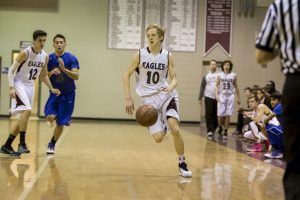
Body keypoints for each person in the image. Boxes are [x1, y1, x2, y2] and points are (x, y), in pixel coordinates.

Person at [123, 24, 192, 177]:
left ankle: (182, 163)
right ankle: (163, 126)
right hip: (148, 100)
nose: (150, 38)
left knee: (176, 129)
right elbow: (125, 75)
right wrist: (128, 97)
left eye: (153, 35)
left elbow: (174, 79)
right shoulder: (139, 55)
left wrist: (171, 86)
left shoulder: (168, 56)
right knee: (159, 139)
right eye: (148, 36)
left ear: (161, 37)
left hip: (167, 95)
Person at [255, 1, 300, 199]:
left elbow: (262, 55)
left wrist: (283, 45)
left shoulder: (282, 6)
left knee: (298, 161)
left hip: (297, 83)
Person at [0, 30, 60, 157]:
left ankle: (6, 146)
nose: (42, 43)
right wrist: (11, 87)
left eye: (44, 40)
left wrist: (51, 88)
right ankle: (22, 143)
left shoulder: (45, 56)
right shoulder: (25, 53)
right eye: (40, 40)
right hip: (19, 84)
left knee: (23, 117)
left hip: (30, 86)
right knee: (27, 110)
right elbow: (11, 71)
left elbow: (43, 76)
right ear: (34, 41)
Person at [44, 34, 79, 154]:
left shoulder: (71, 58)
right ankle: (64, 117)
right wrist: (51, 73)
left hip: (68, 94)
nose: (59, 44)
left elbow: (76, 76)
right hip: (54, 94)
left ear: (65, 44)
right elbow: (42, 77)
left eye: (61, 42)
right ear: (53, 44)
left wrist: (64, 69)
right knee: (49, 117)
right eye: (57, 42)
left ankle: (52, 144)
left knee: (60, 123)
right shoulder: (48, 58)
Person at [215, 60, 241, 140]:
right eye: (225, 65)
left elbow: (236, 87)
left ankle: (226, 130)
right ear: (223, 66)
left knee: (228, 114)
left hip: (230, 96)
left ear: (230, 67)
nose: (226, 66)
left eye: (228, 65)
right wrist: (216, 95)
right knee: (220, 114)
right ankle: (220, 126)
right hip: (222, 95)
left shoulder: (233, 75)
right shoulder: (219, 75)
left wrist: (239, 98)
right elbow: (216, 86)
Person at [198, 60, 219, 138]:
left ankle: (215, 127)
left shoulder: (219, 75)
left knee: (216, 114)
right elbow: (202, 86)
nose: (213, 65)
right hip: (208, 96)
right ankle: (210, 130)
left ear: (216, 66)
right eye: (212, 64)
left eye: (214, 64)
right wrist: (200, 98)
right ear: (210, 66)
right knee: (209, 113)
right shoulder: (206, 75)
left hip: (217, 97)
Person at [263, 91, 283, 159]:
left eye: (274, 100)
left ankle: (278, 151)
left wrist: (264, 123)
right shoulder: (281, 106)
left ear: (279, 100)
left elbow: (266, 120)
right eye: (271, 100)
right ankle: (279, 149)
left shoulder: (279, 106)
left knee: (268, 127)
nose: (272, 102)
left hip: (290, 134)